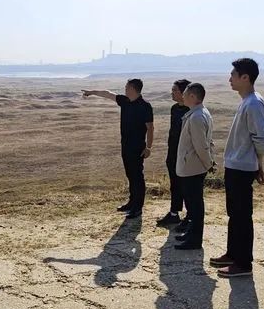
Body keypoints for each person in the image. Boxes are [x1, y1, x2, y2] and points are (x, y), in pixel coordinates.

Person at [210, 58, 264, 277]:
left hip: (243, 167)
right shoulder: (247, 101)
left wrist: (259, 164)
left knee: (242, 215)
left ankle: (243, 264)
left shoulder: (254, 103)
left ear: (245, 77)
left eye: (233, 75)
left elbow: (260, 138)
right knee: (234, 213)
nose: (230, 79)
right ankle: (233, 254)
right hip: (236, 164)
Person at [82, 79, 154, 219]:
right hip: (125, 145)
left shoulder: (145, 106)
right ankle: (132, 202)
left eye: (127, 87)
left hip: (137, 147)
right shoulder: (125, 101)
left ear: (133, 89)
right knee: (130, 175)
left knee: (137, 177)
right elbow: (108, 94)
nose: (125, 89)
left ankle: (137, 207)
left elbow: (150, 127)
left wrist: (148, 147)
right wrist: (91, 92)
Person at [173, 83, 215, 250]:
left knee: (195, 205)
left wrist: (209, 164)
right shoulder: (198, 113)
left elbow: (201, 146)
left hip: (193, 167)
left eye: (185, 94)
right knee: (192, 204)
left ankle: (195, 239)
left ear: (192, 96)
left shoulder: (197, 117)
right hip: (193, 166)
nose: (182, 96)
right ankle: (191, 234)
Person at [156, 79, 191, 228]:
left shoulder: (191, 111)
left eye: (174, 90)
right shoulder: (174, 109)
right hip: (173, 153)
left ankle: (190, 216)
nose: (172, 93)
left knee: (187, 186)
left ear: (183, 93)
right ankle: (174, 213)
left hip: (186, 155)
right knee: (175, 184)